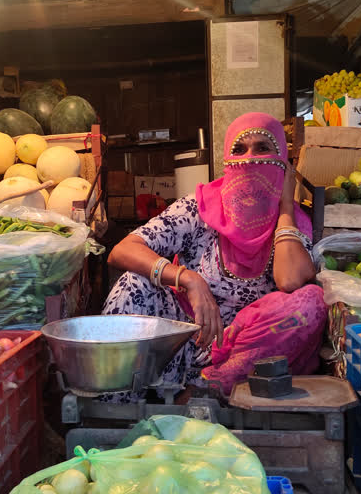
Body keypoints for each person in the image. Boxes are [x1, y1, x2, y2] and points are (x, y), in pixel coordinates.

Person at [103, 112, 324, 402]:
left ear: (282, 160)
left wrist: (284, 207)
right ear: (227, 159)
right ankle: (118, 411)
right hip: (185, 339)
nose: (249, 159)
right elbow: (123, 250)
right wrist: (187, 279)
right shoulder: (200, 208)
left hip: (240, 356)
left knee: (311, 303)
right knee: (134, 282)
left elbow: (290, 280)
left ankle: (202, 391)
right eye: (239, 149)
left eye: (263, 148)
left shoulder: (293, 222)